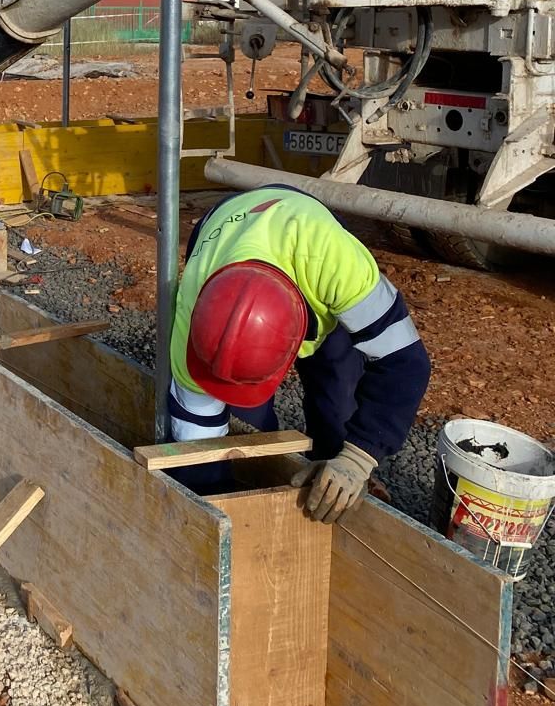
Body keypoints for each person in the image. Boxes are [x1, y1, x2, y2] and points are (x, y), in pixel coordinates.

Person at [169, 184, 431, 522]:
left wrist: (357, 458)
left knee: (339, 399)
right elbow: (198, 444)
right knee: (248, 432)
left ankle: (335, 474)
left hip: (304, 238)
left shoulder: (337, 264)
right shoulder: (192, 316)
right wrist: (214, 515)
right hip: (220, 226)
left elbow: (405, 362)